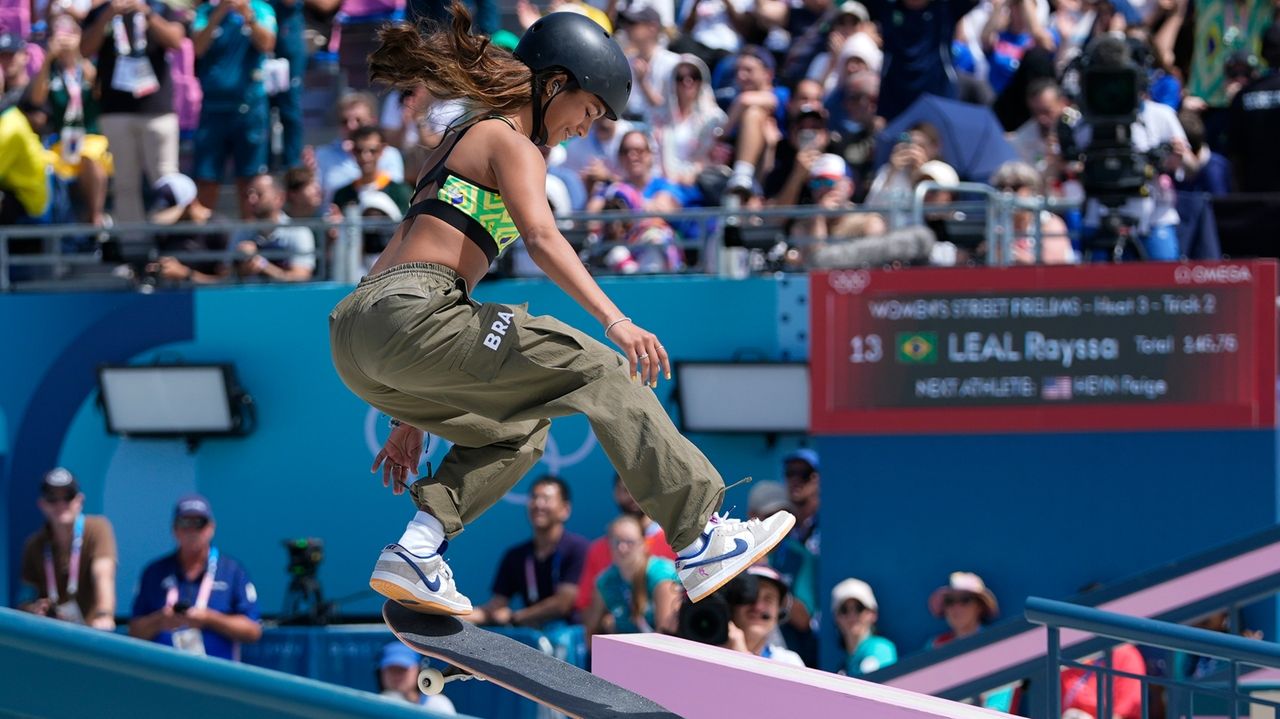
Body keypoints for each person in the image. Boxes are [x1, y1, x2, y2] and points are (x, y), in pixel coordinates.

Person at [329, 5, 795, 618]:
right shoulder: (511, 139)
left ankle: (419, 549)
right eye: (589, 111)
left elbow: (411, 270)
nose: (586, 128)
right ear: (554, 85)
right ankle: (701, 536)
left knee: (520, 424)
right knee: (600, 370)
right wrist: (616, 319)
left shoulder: (459, 141)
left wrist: (408, 413)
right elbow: (543, 239)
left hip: (362, 335)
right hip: (417, 310)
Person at [80, 0, 185, 227]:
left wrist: (147, 15)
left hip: (157, 110)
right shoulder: (100, 12)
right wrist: (106, 17)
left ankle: (170, 244)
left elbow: (176, 41)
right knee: (125, 184)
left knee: (166, 179)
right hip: (116, 110)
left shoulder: (159, 7)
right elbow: (85, 49)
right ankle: (133, 246)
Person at [129, 494, 263, 661]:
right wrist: (161, 620)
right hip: (164, 675)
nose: (192, 530)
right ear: (174, 529)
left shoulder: (232, 571)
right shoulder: (154, 572)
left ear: (211, 528)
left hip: (218, 678)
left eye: (199, 523)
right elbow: (134, 631)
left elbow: (253, 630)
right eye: (184, 523)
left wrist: (209, 619)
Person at [190, 0, 278, 217]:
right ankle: (203, 241)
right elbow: (198, 48)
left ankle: (247, 240)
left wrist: (247, 16)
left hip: (250, 109)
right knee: (207, 179)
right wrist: (219, 13)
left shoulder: (261, 10)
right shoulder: (205, 12)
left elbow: (267, 43)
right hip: (213, 109)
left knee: (248, 182)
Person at [466, 475, 590, 628]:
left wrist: (516, 617)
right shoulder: (515, 556)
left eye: (546, 499)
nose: (538, 504)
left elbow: (563, 603)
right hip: (533, 643)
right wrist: (457, 616)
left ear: (565, 509)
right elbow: (496, 608)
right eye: (534, 497)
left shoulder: (579, 549)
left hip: (575, 644)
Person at [17, 468, 118, 630]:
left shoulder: (98, 528)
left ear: (79, 500)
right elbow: (24, 599)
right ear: (42, 504)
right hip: (51, 637)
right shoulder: (34, 545)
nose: (61, 504)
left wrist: (104, 615)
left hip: (92, 634)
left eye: (68, 497)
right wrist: (35, 609)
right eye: (52, 498)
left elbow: (104, 575)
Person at [574, 473, 677, 616]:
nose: (633, 497)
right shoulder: (599, 550)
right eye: (626, 490)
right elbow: (585, 607)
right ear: (615, 493)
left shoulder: (676, 544)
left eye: (640, 491)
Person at [583, 515, 682, 646]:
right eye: (616, 542)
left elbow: (666, 638)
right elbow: (591, 635)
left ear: (644, 544)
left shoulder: (662, 576)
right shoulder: (605, 581)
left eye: (629, 542)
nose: (622, 548)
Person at [927, 571, 1015, 711]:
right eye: (950, 601)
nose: (956, 608)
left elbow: (999, 705)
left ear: (979, 606)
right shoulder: (935, 645)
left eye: (965, 600)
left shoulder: (996, 646)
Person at [231, 173, 317, 282]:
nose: (251, 200)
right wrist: (240, 268)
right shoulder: (242, 232)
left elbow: (301, 277)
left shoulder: (299, 232)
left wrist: (261, 264)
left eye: (259, 194)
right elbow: (225, 276)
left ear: (279, 198)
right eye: (249, 195)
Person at [988, 160, 1074, 264]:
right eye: (1001, 187)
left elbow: (1053, 267)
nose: (1007, 193)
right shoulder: (997, 224)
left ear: (1033, 190)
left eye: (1016, 187)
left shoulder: (1048, 223)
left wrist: (1009, 252)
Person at [723, 564, 805, 666]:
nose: (758, 607)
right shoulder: (707, 649)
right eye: (750, 596)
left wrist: (741, 656)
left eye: (768, 599)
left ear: (779, 613)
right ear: (732, 605)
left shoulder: (789, 662)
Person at [375, 641, 459, 714]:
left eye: (403, 669)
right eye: (391, 669)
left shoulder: (439, 704)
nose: (396, 675)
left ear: (418, 670)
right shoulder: (381, 703)